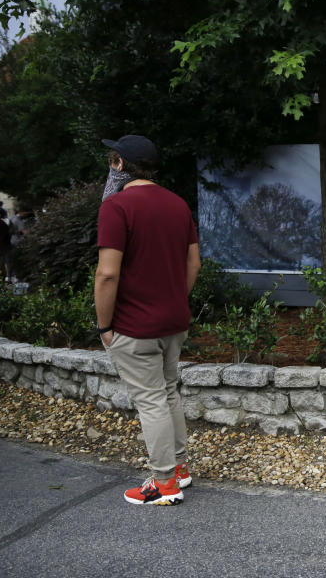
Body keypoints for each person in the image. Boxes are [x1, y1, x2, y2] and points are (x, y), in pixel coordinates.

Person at [94, 134, 202, 505]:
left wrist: (104, 326)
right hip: (174, 320)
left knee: (152, 400)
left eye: (113, 159)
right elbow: (194, 263)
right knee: (168, 392)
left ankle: (164, 484)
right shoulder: (177, 204)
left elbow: (107, 274)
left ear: (120, 165)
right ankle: (180, 470)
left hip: (133, 325)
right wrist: (174, 300)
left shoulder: (116, 207)